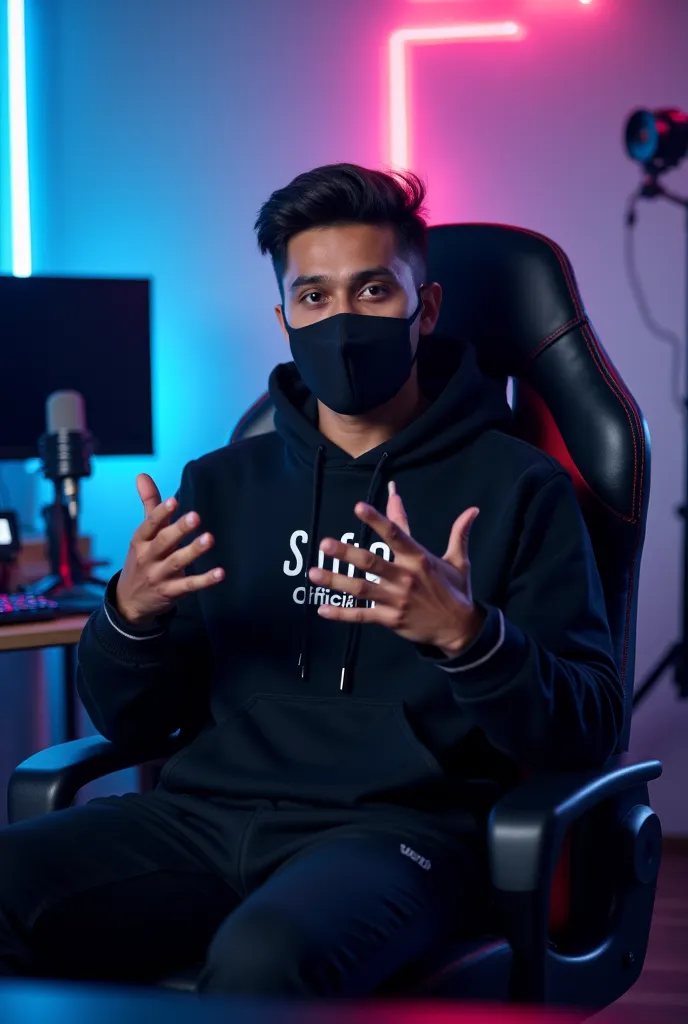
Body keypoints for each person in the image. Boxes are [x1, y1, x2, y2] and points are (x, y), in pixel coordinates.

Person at [0, 164, 624, 995]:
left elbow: (589, 726)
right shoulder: (220, 483)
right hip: (201, 819)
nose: (341, 321)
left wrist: (468, 640)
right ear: (286, 317)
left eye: (372, 292)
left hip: (398, 836)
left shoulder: (519, 487)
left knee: (265, 963)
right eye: (315, 297)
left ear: (423, 309)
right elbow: (131, 716)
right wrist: (131, 616)